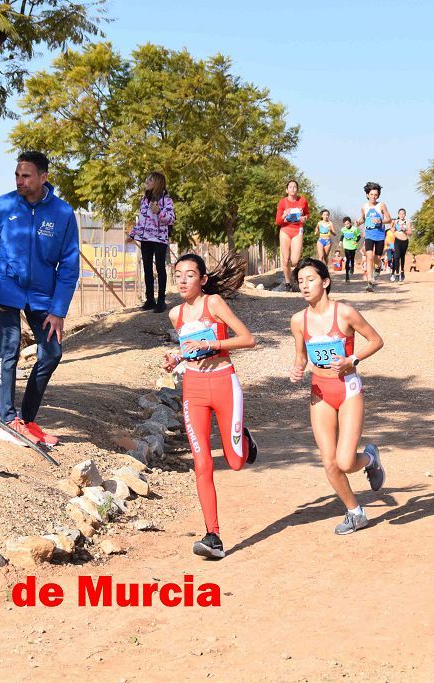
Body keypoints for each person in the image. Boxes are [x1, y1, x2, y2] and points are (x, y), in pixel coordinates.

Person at [0, 151, 80, 446]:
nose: (20, 180)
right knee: (9, 349)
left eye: (26, 175)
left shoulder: (63, 214)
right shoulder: (3, 206)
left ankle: (27, 420)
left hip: (43, 296)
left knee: (52, 352)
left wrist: (58, 310)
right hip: (4, 289)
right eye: (17, 175)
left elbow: (69, 265)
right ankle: (8, 421)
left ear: (43, 177)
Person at [163, 253, 258, 559]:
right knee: (202, 463)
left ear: (202, 280)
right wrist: (175, 358)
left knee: (235, 462)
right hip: (193, 389)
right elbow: (187, 350)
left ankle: (243, 438)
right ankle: (213, 536)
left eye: (189, 274)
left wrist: (213, 345)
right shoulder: (175, 314)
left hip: (223, 383)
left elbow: (247, 339)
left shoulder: (213, 303)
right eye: (178, 274)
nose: (182, 280)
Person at [289, 258, 386, 535]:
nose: (304, 286)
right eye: (300, 281)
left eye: (310, 279)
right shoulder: (298, 320)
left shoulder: (345, 313)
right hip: (319, 391)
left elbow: (376, 341)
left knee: (345, 462)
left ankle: (370, 458)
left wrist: (351, 360)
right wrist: (297, 369)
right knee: (329, 462)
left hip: (348, 390)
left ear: (326, 282)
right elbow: (300, 356)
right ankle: (355, 512)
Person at [127, 171, 176, 312]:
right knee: (147, 268)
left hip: (160, 239)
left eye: (150, 180)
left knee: (160, 268)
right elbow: (141, 221)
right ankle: (150, 300)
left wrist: (159, 211)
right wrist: (132, 234)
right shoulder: (144, 200)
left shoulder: (166, 200)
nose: (146, 182)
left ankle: (161, 301)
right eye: (146, 179)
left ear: (158, 183)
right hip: (145, 239)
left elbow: (171, 219)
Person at [355, 182, 392, 292]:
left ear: (378, 195)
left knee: (377, 258)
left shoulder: (381, 205)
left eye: (375, 195)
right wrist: (358, 222)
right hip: (369, 234)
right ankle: (370, 282)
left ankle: (378, 268)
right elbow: (363, 219)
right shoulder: (364, 207)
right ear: (367, 195)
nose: (373, 197)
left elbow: (389, 219)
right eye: (371, 194)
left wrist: (380, 220)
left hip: (380, 235)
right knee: (369, 257)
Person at [275, 179, 309, 292]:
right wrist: (284, 214)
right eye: (290, 187)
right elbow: (278, 222)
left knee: (294, 261)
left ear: (297, 189)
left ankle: (295, 278)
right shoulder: (282, 202)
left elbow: (307, 214)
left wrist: (305, 218)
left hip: (297, 230)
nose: (293, 189)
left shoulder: (303, 201)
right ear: (287, 190)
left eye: (295, 187)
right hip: (285, 230)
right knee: (285, 260)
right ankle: (288, 283)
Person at [389, 208, 412, 282]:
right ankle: (397, 274)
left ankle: (402, 271)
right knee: (396, 257)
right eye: (400, 213)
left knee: (402, 257)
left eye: (403, 213)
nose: (401, 215)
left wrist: (404, 229)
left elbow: (410, 233)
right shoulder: (395, 222)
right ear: (398, 214)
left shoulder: (407, 222)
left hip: (404, 241)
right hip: (397, 241)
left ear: (405, 215)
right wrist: (392, 229)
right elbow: (391, 229)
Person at [339, 216, 361, 283]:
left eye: (348, 224)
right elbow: (342, 236)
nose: (346, 225)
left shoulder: (354, 229)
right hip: (346, 246)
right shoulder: (343, 229)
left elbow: (359, 236)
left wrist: (356, 241)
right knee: (347, 259)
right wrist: (340, 241)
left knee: (352, 258)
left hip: (353, 246)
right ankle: (347, 276)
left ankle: (352, 267)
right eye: (345, 224)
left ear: (350, 223)